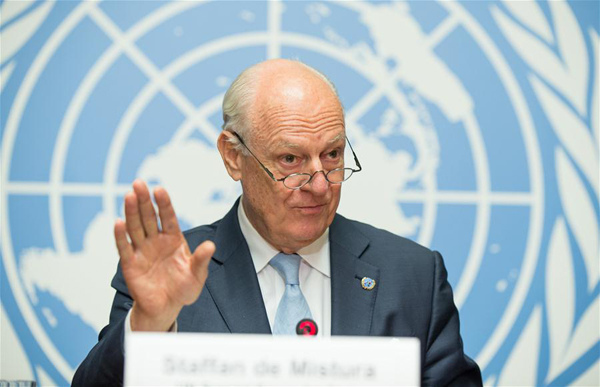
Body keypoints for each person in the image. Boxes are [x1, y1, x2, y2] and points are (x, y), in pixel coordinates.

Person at [72, 59, 482, 386]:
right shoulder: (173, 276)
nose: (320, 184)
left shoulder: (412, 275)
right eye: (291, 160)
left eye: (333, 155)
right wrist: (148, 326)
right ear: (234, 156)